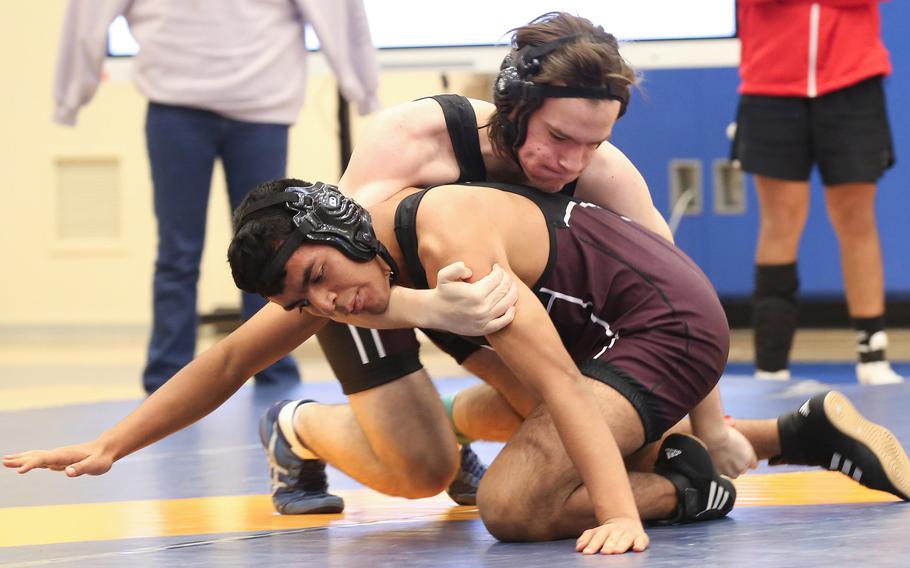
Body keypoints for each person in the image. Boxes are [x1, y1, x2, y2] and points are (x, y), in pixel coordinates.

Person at [9, 180, 908, 556]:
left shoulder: (450, 247)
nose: (329, 307)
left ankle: (695, 482)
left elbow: (559, 382)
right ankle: (789, 435)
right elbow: (230, 360)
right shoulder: (343, 266)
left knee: (514, 505)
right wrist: (108, 447)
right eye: (305, 301)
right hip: (611, 334)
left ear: (340, 231)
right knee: (484, 413)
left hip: (662, 329)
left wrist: (625, 514)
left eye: (321, 281)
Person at [319, 11, 679, 506]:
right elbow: (335, 275)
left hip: (481, 302)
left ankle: (448, 418)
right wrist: (427, 309)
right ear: (513, 108)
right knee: (422, 470)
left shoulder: (606, 174)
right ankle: (297, 427)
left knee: (599, 429)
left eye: (593, 143)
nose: (572, 163)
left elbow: (679, 297)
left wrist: (713, 428)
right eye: (558, 138)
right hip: (376, 292)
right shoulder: (416, 137)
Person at [53, 0, 381, 393]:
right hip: (176, 105)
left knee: (276, 250)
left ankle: (272, 367)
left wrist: (362, 87)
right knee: (177, 253)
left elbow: (337, 10)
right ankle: (167, 381)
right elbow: (87, 12)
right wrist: (71, 93)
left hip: (262, 107)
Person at [732, 0, 903, 385]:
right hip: (770, 86)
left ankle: (872, 355)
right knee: (780, 222)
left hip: (853, 86)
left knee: (856, 220)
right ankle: (771, 364)